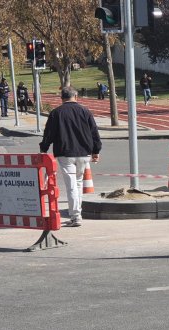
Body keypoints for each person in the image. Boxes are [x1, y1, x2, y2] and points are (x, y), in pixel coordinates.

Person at [39, 86, 102, 227]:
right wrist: (96, 151)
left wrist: (43, 149)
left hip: (65, 153)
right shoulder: (85, 111)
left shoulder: (56, 113)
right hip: (84, 153)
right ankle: (77, 213)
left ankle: (76, 216)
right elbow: (94, 133)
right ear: (76, 96)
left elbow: (49, 134)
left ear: (62, 98)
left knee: (71, 185)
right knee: (78, 183)